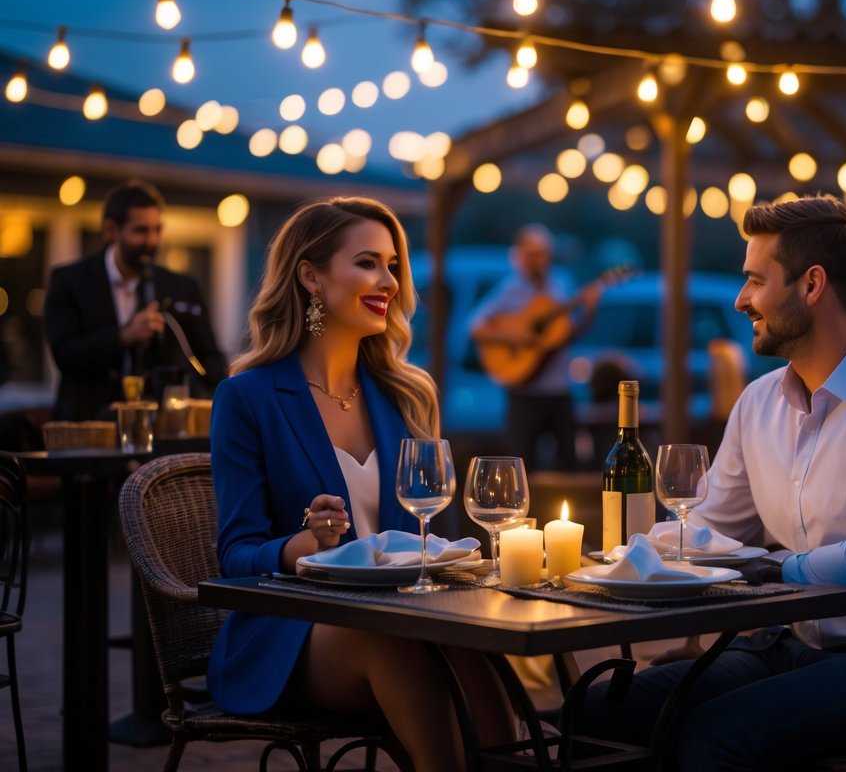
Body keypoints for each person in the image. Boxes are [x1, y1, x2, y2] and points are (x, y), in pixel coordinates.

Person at [581, 194, 846, 769]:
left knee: (713, 737)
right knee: (597, 711)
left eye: (756, 280)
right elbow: (704, 532)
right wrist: (618, 556)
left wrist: (768, 568)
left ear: (812, 285)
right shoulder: (758, 402)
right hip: (784, 645)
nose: (741, 299)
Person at [207, 197, 513, 770]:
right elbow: (236, 556)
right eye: (368, 263)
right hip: (292, 636)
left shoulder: (405, 395)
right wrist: (303, 546)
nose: (389, 282)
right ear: (311, 277)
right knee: (391, 635)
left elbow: (433, 541)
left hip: (408, 619)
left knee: (475, 640)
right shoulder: (247, 398)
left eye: (392, 265)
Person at [43, 179, 227, 420]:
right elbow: (64, 354)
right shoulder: (70, 281)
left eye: (157, 230)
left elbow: (209, 358)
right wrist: (123, 336)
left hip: (161, 425)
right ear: (111, 230)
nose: (152, 241)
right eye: (141, 231)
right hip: (87, 423)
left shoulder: (181, 287)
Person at [468, 224, 599, 470]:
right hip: (524, 392)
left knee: (568, 462)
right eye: (532, 254)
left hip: (559, 389)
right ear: (521, 256)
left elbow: (567, 334)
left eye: (542, 254)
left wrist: (590, 310)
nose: (538, 260)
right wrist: (515, 338)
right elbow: (476, 327)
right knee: (521, 463)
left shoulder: (562, 283)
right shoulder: (511, 289)